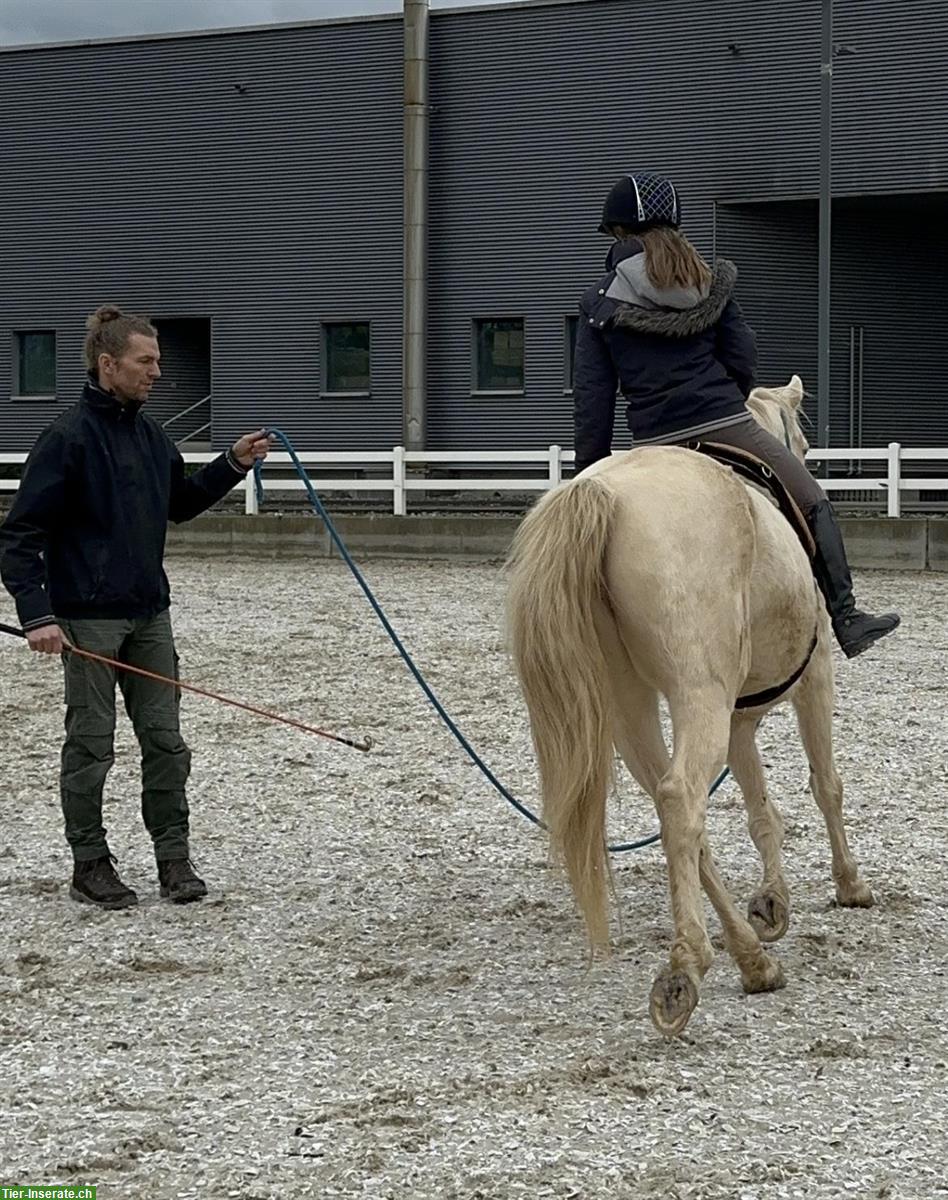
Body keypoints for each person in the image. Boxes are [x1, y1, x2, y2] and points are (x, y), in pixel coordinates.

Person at [0, 305, 271, 909]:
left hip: (150, 614)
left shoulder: (153, 436)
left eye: (158, 362)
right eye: (146, 362)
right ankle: (89, 864)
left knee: (167, 743)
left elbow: (180, 503)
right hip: (85, 622)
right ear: (108, 365)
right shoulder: (65, 439)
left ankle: (173, 859)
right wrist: (37, 615)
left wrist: (231, 464)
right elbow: (20, 537)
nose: (157, 373)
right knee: (91, 744)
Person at [573, 171, 900, 660]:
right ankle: (847, 617)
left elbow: (592, 399)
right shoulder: (709, 282)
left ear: (619, 233)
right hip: (725, 422)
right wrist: (725, 399)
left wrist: (590, 472)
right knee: (811, 498)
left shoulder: (599, 302)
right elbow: (743, 355)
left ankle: (588, 628)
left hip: (655, 441)